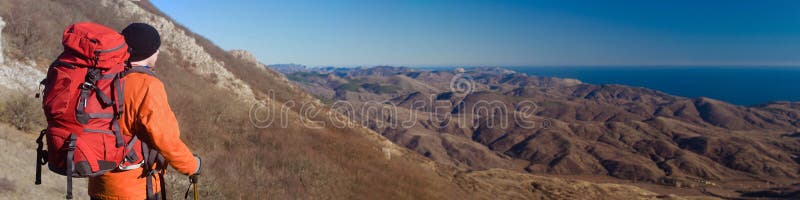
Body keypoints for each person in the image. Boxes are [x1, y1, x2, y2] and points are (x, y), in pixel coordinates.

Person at [88, 23, 200, 200]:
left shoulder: (102, 76)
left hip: (99, 181)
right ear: (149, 52)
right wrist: (192, 165)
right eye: (157, 49)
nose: (158, 53)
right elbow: (166, 139)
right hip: (134, 188)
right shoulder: (147, 85)